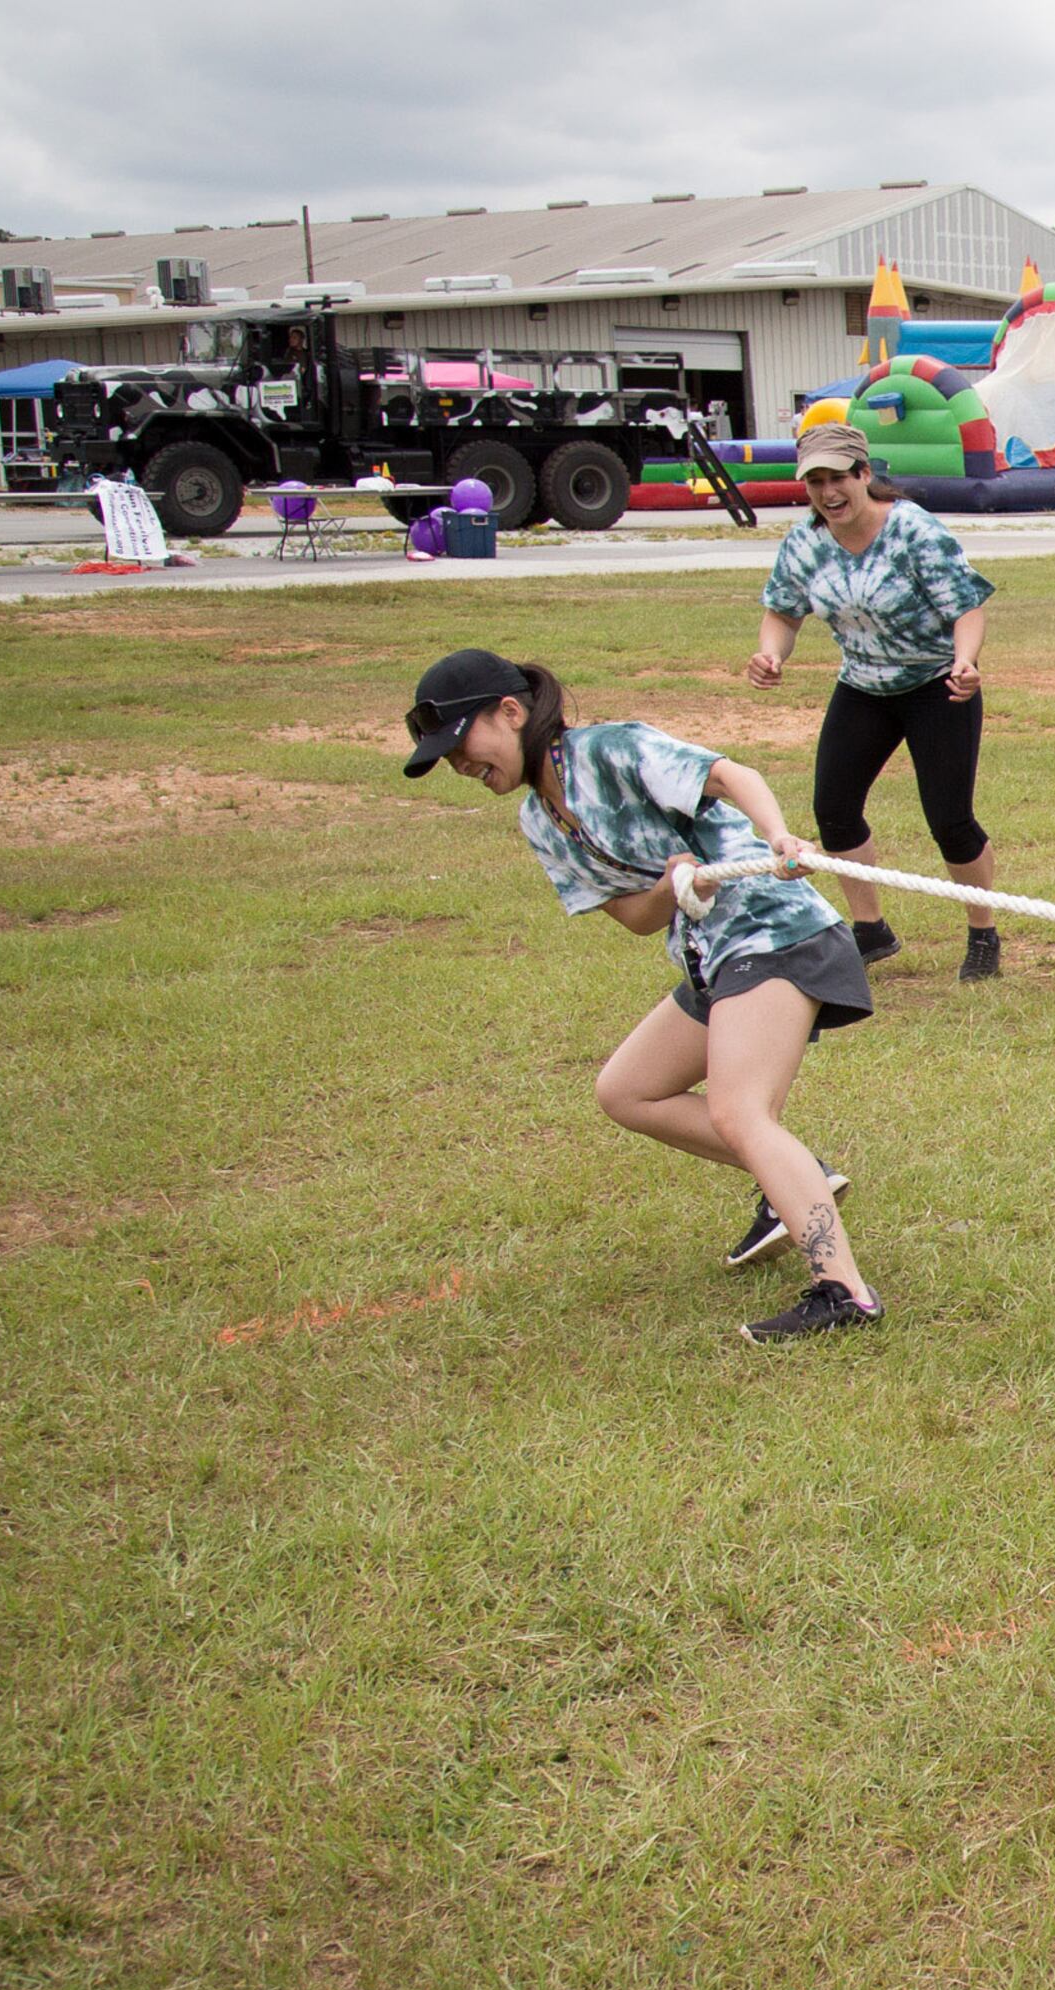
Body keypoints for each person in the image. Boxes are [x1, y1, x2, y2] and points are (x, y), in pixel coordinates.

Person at [402, 647, 883, 1343]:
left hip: (775, 935)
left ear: (510, 712)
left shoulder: (611, 750)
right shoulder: (541, 821)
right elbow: (636, 917)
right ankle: (797, 1179)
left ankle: (844, 1292)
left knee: (739, 1109)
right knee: (626, 1091)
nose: (461, 767)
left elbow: (729, 774)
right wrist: (677, 885)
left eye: (461, 745)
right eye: (446, 761)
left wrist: (777, 835)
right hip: (711, 959)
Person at [747, 421, 1004, 981]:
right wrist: (772, 654)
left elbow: (967, 606)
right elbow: (783, 611)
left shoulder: (912, 530)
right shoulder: (805, 542)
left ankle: (984, 933)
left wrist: (965, 662)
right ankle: (871, 931)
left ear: (865, 474)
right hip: (863, 686)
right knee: (833, 810)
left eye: (837, 477)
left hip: (937, 684)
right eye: (814, 481)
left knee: (950, 820)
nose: (827, 492)